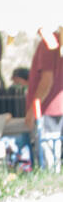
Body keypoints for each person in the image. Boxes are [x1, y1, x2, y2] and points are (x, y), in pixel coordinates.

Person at [27, 29, 63, 170]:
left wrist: (32, 110)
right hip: (57, 107)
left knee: (49, 161)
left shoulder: (47, 44)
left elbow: (47, 81)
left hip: (47, 109)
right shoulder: (57, 41)